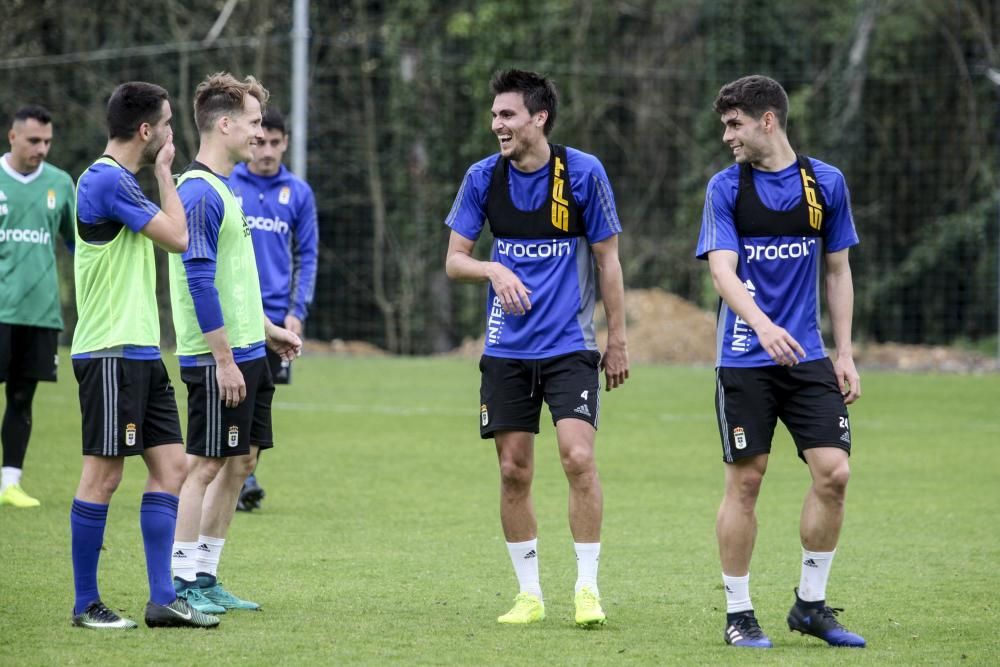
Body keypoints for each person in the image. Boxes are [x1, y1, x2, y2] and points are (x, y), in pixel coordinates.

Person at [444, 69, 629, 627]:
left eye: (507, 115)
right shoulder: (482, 178)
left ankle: (587, 588)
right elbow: (455, 261)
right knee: (513, 471)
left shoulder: (582, 173)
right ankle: (528, 594)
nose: (497, 124)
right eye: (495, 114)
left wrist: (616, 339)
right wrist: (492, 267)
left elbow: (608, 260)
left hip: (571, 346)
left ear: (538, 118)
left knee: (578, 457)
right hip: (506, 350)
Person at [695, 74, 866, 649]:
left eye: (735, 123)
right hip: (744, 357)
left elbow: (838, 271)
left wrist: (844, 352)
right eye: (725, 125)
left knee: (834, 473)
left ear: (768, 120)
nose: (727, 136)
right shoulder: (726, 189)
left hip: (809, 357)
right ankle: (739, 614)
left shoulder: (826, 184)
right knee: (746, 482)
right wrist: (762, 325)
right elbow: (722, 272)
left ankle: (811, 606)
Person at [70, 82, 219, 629]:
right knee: (102, 477)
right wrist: (164, 174)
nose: (173, 133)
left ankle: (162, 600)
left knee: (172, 467)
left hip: (139, 351)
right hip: (109, 351)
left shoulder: (118, 182)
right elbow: (179, 237)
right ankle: (86, 603)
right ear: (146, 131)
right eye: (169, 122)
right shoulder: (108, 180)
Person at [169, 72, 301, 614]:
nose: (258, 132)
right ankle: (182, 587)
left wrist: (267, 330)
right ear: (224, 125)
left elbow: (233, 277)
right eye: (250, 123)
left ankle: (207, 573)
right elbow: (199, 281)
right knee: (203, 465)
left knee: (241, 461)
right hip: (218, 360)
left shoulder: (226, 188)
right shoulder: (199, 192)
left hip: (251, 352)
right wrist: (224, 359)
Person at [229, 106, 318, 511]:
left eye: (275, 143)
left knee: (261, 399)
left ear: (285, 144)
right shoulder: (229, 182)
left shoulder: (298, 193)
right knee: (231, 393)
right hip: (234, 312)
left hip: (277, 317)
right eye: (260, 141)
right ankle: (239, 477)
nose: (266, 150)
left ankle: (245, 473)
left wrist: (298, 309)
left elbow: (308, 255)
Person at [0, 105, 74, 508]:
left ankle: (10, 483)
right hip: (0, 311)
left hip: (40, 313)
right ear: (13, 137)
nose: (42, 148)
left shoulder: (61, 184)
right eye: (33, 141)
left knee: (22, 398)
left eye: (47, 141)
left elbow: (76, 241)